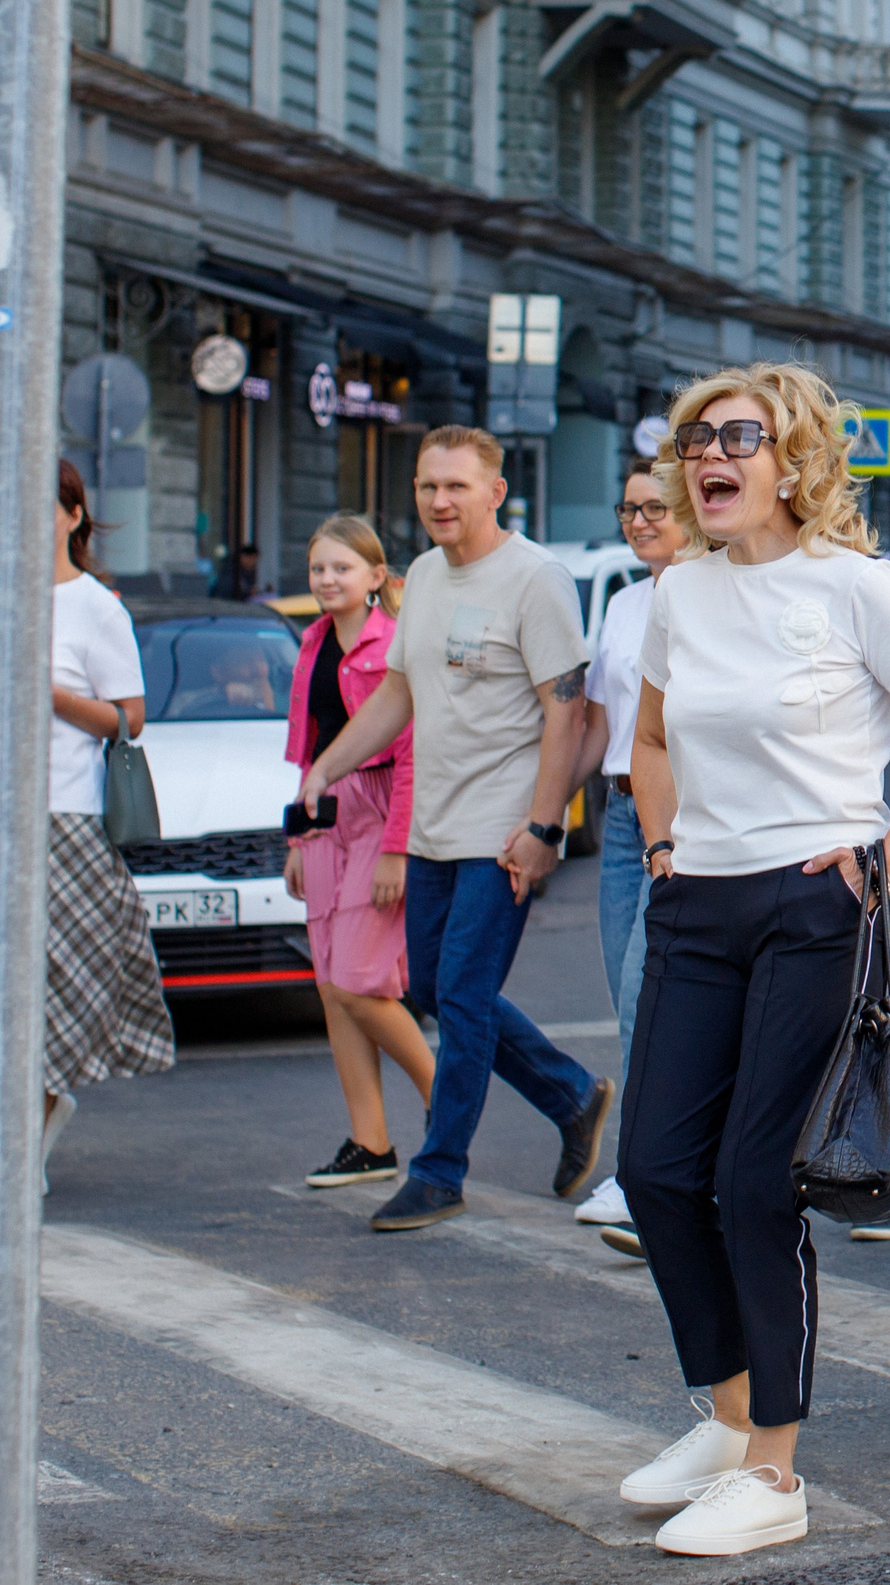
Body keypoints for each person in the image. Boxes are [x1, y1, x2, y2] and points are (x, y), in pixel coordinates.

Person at [616, 363, 890, 1555]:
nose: (709, 457)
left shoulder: (857, 589)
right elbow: (647, 738)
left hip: (808, 907)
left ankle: (775, 1474)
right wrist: (663, 839)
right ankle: (725, 1424)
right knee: (654, 1170)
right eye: (694, 441)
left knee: (750, 1181)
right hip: (696, 906)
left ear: (794, 462)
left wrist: (880, 860)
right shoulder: (679, 594)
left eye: (738, 437)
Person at [298, 426, 612, 1233]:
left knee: (465, 995)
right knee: (432, 987)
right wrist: (326, 768)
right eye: (428, 486)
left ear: (494, 492)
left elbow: (565, 709)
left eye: (458, 487)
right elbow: (397, 694)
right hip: (433, 827)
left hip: (501, 828)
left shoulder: (535, 578)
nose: (440, 501)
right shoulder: (428, 578)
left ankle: (439, 1171)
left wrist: (545, 825)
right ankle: (571, 1092)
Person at [285, 515, 434, 1188]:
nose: (326, 580)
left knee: (359, 980)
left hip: (379, 813)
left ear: (376, 577)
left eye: (340, 568)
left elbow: (409, 755)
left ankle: (448, 1103)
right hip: (324, 819)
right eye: (318, 568)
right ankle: (369, 1141)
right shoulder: (313, 641)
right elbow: (312, 749)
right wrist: (295, 835)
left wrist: (396, 851)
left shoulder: (392, 644)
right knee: (330, 987)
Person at [43, 460, 172, 1191]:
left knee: (68, 980)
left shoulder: (95, 607)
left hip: (66, 814)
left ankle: (41, 1116)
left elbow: (130, 717)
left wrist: (50, 692)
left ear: (73, 514)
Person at [573, 464, 685, 1240]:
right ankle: (661, 1166)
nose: (638, 520)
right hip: (618, 813)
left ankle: (645, 1177)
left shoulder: (711, 595)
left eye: (655, 507)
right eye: (628, 508)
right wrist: (545, 820)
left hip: (678, 812)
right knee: (627, 992)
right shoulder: (622, 603)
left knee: (651, 989)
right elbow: (594, 724)